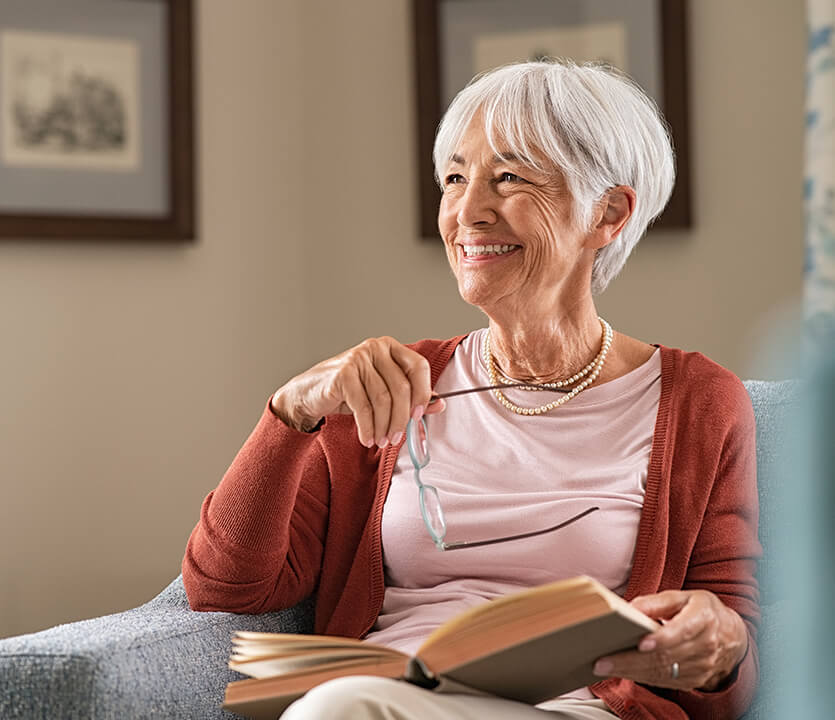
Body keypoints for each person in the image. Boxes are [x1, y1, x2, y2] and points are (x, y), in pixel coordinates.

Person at [183, 60, 760, 720]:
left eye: (508, 178)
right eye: (454, 178)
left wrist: (722, 643)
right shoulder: (390, 387)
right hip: (394, 695)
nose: (467, 212)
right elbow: (225, 586)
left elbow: (729, 661)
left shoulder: (697, 402)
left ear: (607, 213)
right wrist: (291, 413)